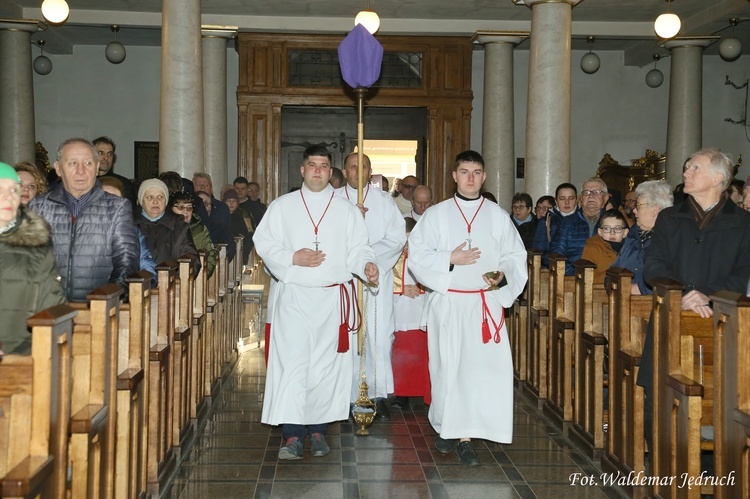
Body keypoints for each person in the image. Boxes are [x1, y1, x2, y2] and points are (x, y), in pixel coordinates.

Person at [253, 144, 378, 461]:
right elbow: (263, 242)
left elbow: (359, 248)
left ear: (331, 171)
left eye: (324, 165)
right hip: (294, 297)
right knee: (294, 367)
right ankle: (293, 435)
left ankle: (319, 430)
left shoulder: (346, 210)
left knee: (325, 369)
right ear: (302, 170)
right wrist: (290, 257)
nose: (318, 170)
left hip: (331, 300)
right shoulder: (283, 206)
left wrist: (366, 266)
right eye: (312, 165)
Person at [408, 150, 527, 466]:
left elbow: (516, 257)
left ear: (484, 176)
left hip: (484, 303)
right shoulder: (437, 214)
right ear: (454, 175)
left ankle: (466, 436)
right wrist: (449, 257)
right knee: (448, 369)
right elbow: (417, 254)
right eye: (464, 171)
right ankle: (449, 427)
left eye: (476, 172)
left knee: (479, 371)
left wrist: (503, 274)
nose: (471, 177)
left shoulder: (498, 216)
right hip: (449, 302)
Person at [638, 148, 750, 454]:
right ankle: (662, 469)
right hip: (671, 317)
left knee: (721, 398)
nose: (685, 172)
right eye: (687, 168)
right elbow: (654, 265)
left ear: (717, 178)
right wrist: (685, 293)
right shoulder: (669, 218)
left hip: (721, 325)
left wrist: (709, 293)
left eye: (694, 168)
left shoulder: (743, 223)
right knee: (658, 396)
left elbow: (744, 272)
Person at [336, 152, 406, 420]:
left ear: (370, 170)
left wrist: (370, 261)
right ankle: (345, 395)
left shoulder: (384, 202)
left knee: (378, 335)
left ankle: (375, 393)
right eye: (353, 167)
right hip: (345, 280)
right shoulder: (334, 201)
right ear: (345, 170)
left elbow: (396, 238)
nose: (358, 171)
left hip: (376, 281)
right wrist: (355, 259)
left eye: (363, 166)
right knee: (348, 337)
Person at [29, 138, 139, 302]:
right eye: (72, 163)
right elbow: (28, 260)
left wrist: (108, 298)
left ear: (96, 168)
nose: (81, 171)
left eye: (87, 163)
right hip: (47, 309)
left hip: (99, 308)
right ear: (58, 169)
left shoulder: (117, 207)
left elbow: (126, 260)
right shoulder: (38, 207)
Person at [0, 162, 66, 355]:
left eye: (14, 189)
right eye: (0, 189)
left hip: (21, 355)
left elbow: (52, 302)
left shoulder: (36, 245)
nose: (9, 196)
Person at [391, 217, 431, 411]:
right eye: (404, 240)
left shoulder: (424, 254)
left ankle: (423, 391)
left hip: (419, 308)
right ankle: (401, 394)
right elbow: (381, 278)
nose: (407, 245)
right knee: (401, 354)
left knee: (420, 352)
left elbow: (433, 275)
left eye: (411, 240)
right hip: (399, 309)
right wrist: (400, 289)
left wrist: (419, 288)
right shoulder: (391, 256)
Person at [610, 180, 673, 295]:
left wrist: (640, 289)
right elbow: (613, 270)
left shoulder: (671, 238)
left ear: (655, 209)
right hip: (622, 301)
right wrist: (612, 284)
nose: (634, 210)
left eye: (638, 206)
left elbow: (671, 278)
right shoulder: (633, 236)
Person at [134, 179, 200, 276]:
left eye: (160, 197)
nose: (155, 201)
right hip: (135, 286)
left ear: (166, 201)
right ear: (141, 201)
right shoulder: (128, 225)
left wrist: (175, 281)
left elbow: (192, 259)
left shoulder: (179, 226)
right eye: (149, 197)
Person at [99, 176, 157, 279]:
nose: (111, 204)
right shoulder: (81, 228)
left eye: (116, 200)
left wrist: (148, 281)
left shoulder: (133, 232)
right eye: (106, 199)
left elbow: (146, 263)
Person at [549, 178, 609, 275]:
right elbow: (557, 255)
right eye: (587, 192)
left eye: (597, 192)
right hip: (574, 279)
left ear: (605, 198)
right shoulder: (566, 223)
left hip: (606, 281)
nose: (591, 196)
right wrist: (578, 276)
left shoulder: (615, 223)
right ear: (581, 198)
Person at [170, 191, 216, 277]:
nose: (186, 211)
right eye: (181, 208)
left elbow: (210, 256)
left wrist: (200, 279)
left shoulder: (200, 229)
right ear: (171, 209)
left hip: (194, 278)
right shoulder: (166, 228)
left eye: (189, 208)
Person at [532, 183, 578, 267]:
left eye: (571, 198)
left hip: (580, 267)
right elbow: (539, 253)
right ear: (556, 201)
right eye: (562, 199)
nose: (567, 202)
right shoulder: (546, 221)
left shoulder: (583, 219)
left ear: (576, 200)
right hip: (554, 268)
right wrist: (556, 259)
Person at [193, 172, 235, 262]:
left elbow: (224, 232)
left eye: (206, 185)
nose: (202, 188)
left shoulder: (221, 207)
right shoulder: (189, 207)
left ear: (211, 188)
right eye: (199, 185)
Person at [581, 208, 629, 284]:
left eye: (617, 228)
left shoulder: (631, 248)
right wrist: (614, 273)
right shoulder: (592, 248)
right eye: (607, 228)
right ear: (600, 231)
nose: (612, 233)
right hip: (601, 291)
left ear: (625, 232)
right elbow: (588, 278)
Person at [92, 136, 137, 206]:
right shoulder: (83, 181)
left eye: (109, 154)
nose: (106, 157)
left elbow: (129, 209)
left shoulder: (124, 183)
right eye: (101, 153)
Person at [222, 188, 253, 264]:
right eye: (229, 201)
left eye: (234, 201)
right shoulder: (220, 216)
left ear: (237, 203)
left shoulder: (244, 215)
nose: (231, 203)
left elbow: (250, 233)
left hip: (241, 251)